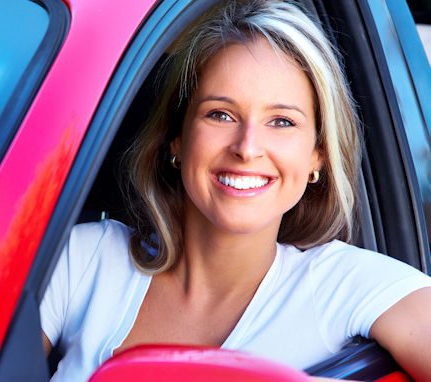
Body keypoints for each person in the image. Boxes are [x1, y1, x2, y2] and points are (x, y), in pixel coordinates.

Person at [39, 0, 431, 381]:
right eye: (220, 114)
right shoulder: (83, 259)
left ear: (318, 155)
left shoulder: (346, 285)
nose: (246, 147)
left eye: (281, 121)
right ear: (177, 138)